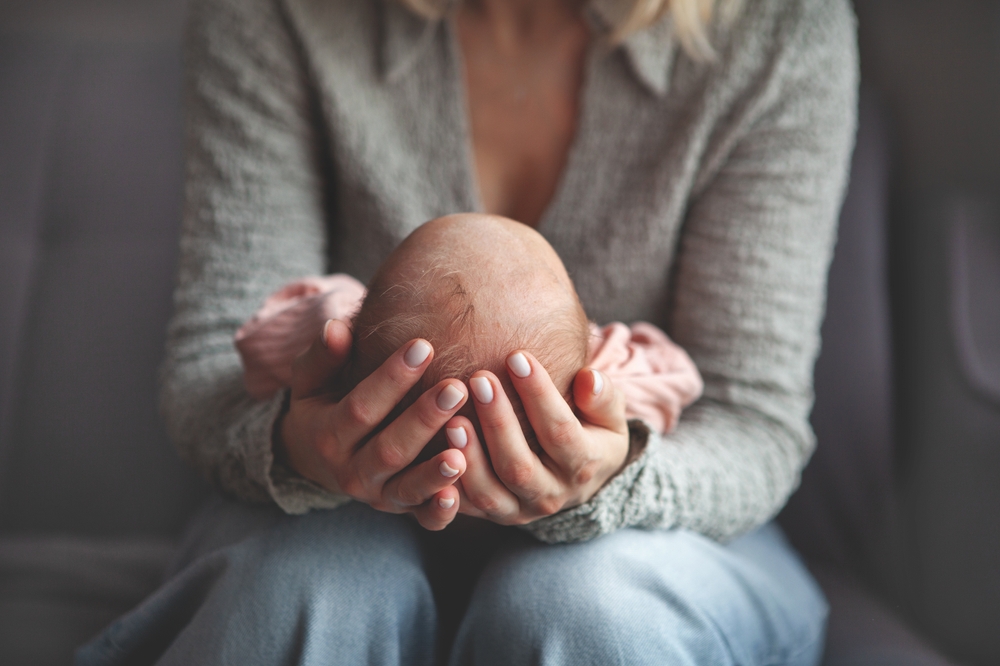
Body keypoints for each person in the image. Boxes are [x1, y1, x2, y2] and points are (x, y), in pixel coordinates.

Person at [77, 0, 857, 663]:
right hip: (334, 514)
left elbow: (750, 420)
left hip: (663, 534)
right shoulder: (279, 14)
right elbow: (220, 363)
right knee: (297, 592)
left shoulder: (777, 29)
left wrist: (615, 477)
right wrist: (301, 447)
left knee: (592, 614)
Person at [235, 213, 704, 442]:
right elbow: (678, 377)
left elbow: (255, 339)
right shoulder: (602, 380)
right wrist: (607, 379)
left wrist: (330, 312)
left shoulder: (333, 344)